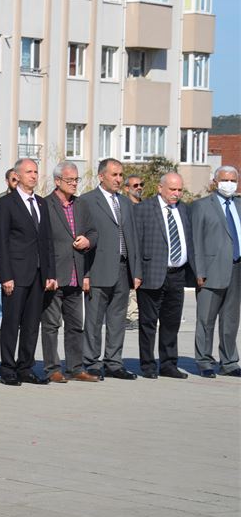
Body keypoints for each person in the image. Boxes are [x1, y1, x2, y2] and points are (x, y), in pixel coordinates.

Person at [0, 158, 57, 386]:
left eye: (36, 172)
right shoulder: (6, 203)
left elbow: (47, 240)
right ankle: (7, 368)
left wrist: (50, 273)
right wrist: (6, 275)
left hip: (38, 274)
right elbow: (1, 242)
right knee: (11, 322)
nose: (33, 176)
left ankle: (25, 367)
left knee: (31, 324)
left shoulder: (41, 203)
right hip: (16, 274)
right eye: (29, 172)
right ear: (17, 176)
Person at [79, 158, 141, 380]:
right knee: (94, 320)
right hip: (97, 269)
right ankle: (91, 362)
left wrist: (136, 271)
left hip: (123, 269)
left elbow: (133, 237)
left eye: (121, 175)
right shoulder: (87, 201)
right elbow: (83, 238)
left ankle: (114, 363)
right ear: (101, 176)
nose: (118, 179)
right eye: (114, 174)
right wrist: (85, 274)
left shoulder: (125, 203)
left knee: (117, 320)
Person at [40, 162, 98, 383]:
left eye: (76, 179)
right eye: (70, 180)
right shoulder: (45, 205)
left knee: (75, 325)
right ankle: (52, 369)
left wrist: (88, 241)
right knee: (51, 325)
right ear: (57, 181)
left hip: (76, 275)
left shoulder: (81, 205)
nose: (74, 184)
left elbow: (93, 232)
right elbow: (43, 242)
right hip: (55, 275)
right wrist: (48, 274)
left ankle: (75, 368)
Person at [134, 173, 193, 379]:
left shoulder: (184, 209)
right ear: (160, 188)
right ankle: (148, 365)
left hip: (177, 274)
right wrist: (136, 273)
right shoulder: (143, 209)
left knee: (171, 322)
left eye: (180, 190)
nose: (176, 194)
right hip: (151, 274)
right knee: (148, 322)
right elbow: (136, 244)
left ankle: (168, 364)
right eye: (172, 189)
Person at [191, 166, 241, 378]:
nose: (229, 184)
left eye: (233, 180)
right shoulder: (201, 206)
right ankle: (204, 361)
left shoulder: (239, 204)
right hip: (210, 271)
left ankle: (229, 362)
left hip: (236, 269)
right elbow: (196, 241)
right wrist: (199, 271)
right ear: (215, 182)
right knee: (206, 319)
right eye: (225, 180)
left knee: (231, 320)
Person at [0, 167, 19, 330]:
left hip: (18, 248)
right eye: (13, 179)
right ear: (7, 181)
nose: (16, 182)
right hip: (0, 245)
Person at [122, 175, 144, 329]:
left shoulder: (145, 206)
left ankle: (137, 314)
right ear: (126, 188)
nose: (139, 187)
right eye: (135, 185)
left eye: (141, 184)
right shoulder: (124, 206)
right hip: (129, 253)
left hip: (143, 252)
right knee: (130, 288)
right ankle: (131, 316)